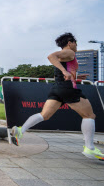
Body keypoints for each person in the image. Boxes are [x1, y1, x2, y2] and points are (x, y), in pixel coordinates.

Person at [11, 33, 104, 161]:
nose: (76, 46)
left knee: (45, 115)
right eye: (75, 43)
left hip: (57, 89)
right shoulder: (69, 52)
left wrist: (75, 77)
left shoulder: (66, 55)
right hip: (67, 89)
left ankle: (21, 130)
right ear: (70, 42)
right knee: (89, 115)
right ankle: (90, 148)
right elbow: (51, 56)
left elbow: (60, 73)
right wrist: (65, 71)